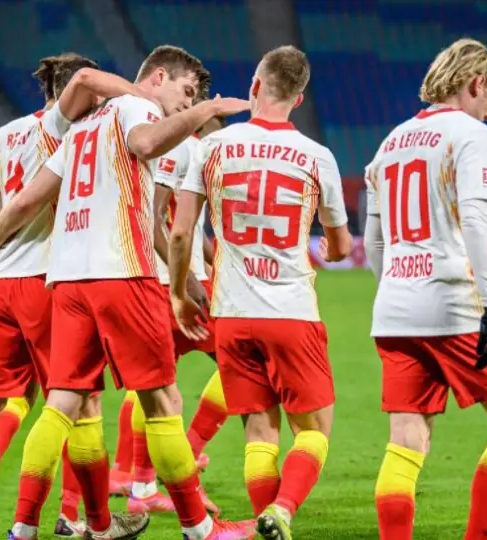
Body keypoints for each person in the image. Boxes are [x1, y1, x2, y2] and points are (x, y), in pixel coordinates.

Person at [0, 45, 255, 540]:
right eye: (186, 90)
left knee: (61, 403)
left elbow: (29, 198)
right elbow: (147, 142)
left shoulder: (81, 127)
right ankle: (200, 528)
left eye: (194, 97)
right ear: (158, 77)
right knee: (163, 401)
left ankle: (23, 528)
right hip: (123, 273)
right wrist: (208, 111)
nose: (187, 102)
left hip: (68, 281)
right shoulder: (138, 106)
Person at [0, 53, 150, 540]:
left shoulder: (2, 136)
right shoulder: (68, 130)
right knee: (81, 408)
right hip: (50, 283)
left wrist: (2, 241)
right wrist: (145, 99)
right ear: (76, 92)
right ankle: (84, 521)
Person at [168, 45, 353, 540]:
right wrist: (331, 250)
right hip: (291, 312)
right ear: (299, 97)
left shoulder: (210, 147)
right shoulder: (317, 157)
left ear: (254, 86)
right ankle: (283, 510)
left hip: (232, 313)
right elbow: (339, 244)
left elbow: (181, 233)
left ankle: (264, 520)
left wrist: (179, 295)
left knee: (258, 432)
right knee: (313, 430)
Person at [362, 38, 487, 540]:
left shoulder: (391, 141)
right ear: (476, 83)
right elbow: (477, 220)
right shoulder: (469, 132)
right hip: (454, 304)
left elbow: (374, 240)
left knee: (406, 441)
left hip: (395, 309)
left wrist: (395, 288)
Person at [119, 111, 226, 516]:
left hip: (162, 280)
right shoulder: (188, 149)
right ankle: (186, 454)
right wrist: (187, 280)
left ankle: (141, 482)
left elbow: (187, 230)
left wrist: (215, 263)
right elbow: (156, 220)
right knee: (244, 367)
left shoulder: (176, 149)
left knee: (153, 385)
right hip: (176, 285)